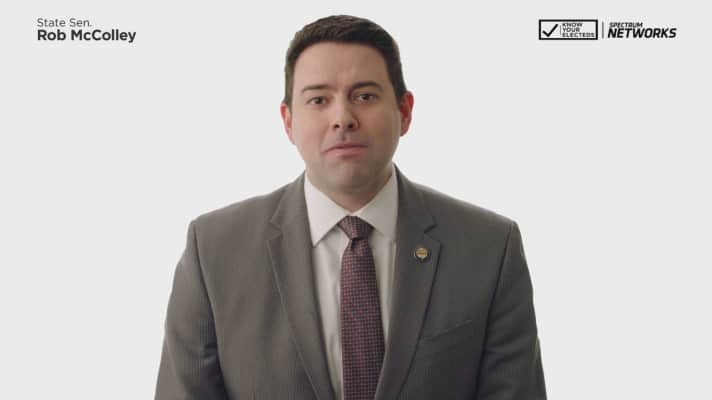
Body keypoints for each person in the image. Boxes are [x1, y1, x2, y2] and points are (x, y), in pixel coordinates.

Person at [155, 14, 547, 400]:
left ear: (405, 111)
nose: (342, 118)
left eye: (365, 96)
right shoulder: (214, 250)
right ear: (288, 121)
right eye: (319, 100)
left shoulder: (489, 248)